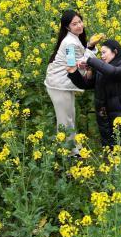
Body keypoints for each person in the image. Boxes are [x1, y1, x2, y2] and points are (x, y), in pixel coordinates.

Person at [44, 9, 103, 153]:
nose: (79, 26)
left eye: (80, 22)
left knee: (69, 118)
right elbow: (73, 64)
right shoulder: (70, 43)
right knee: (65, 121)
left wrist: (89, 47)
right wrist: (90, 47)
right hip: (58, 86)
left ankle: (72, 150)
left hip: (63, 85)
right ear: (67, 27)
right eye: (74, 24)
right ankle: (67, 154)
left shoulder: (73, 38)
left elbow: (80, 60)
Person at [66, 39, 121, 154]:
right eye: (101, 53)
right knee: (111, 150)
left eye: (104, 52)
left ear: (115, 51)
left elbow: (114, 72)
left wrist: (90, 60)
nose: (102, 56)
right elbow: (86, 85)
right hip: (105, 118)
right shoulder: (105, 66)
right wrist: (73, 72)